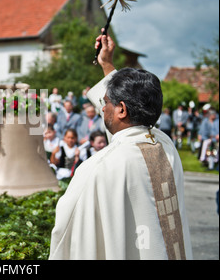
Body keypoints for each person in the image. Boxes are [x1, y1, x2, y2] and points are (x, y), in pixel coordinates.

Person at [49, 32, 192, 260]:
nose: (102, 108)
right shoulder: (166, 146)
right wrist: (107, 65)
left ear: (122, 110)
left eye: (105, 102)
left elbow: (66, 231)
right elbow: (125, 132)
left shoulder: (98, 168)